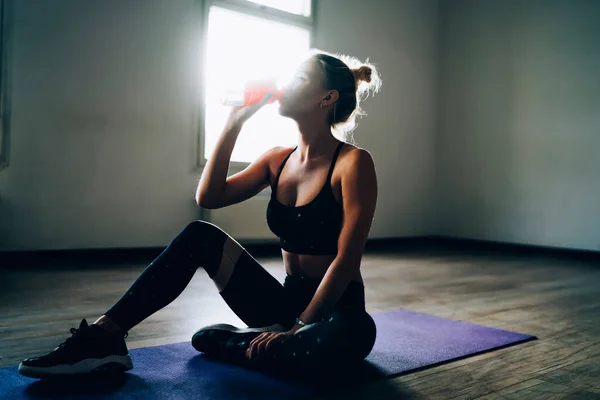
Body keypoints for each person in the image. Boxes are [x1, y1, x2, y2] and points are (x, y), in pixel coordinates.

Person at [18, 50, 382, 379]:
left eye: (298, 79)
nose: (284, 85)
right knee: (199, 240)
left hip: (337, 312)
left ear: (327, 97)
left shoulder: (352, 164)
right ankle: (105, 337)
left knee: (341, 337)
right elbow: (209, 196)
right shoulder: (277, 159)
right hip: (284, 304)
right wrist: (235, 120)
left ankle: (276, 344)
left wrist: (300, 326)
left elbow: (347, 261)